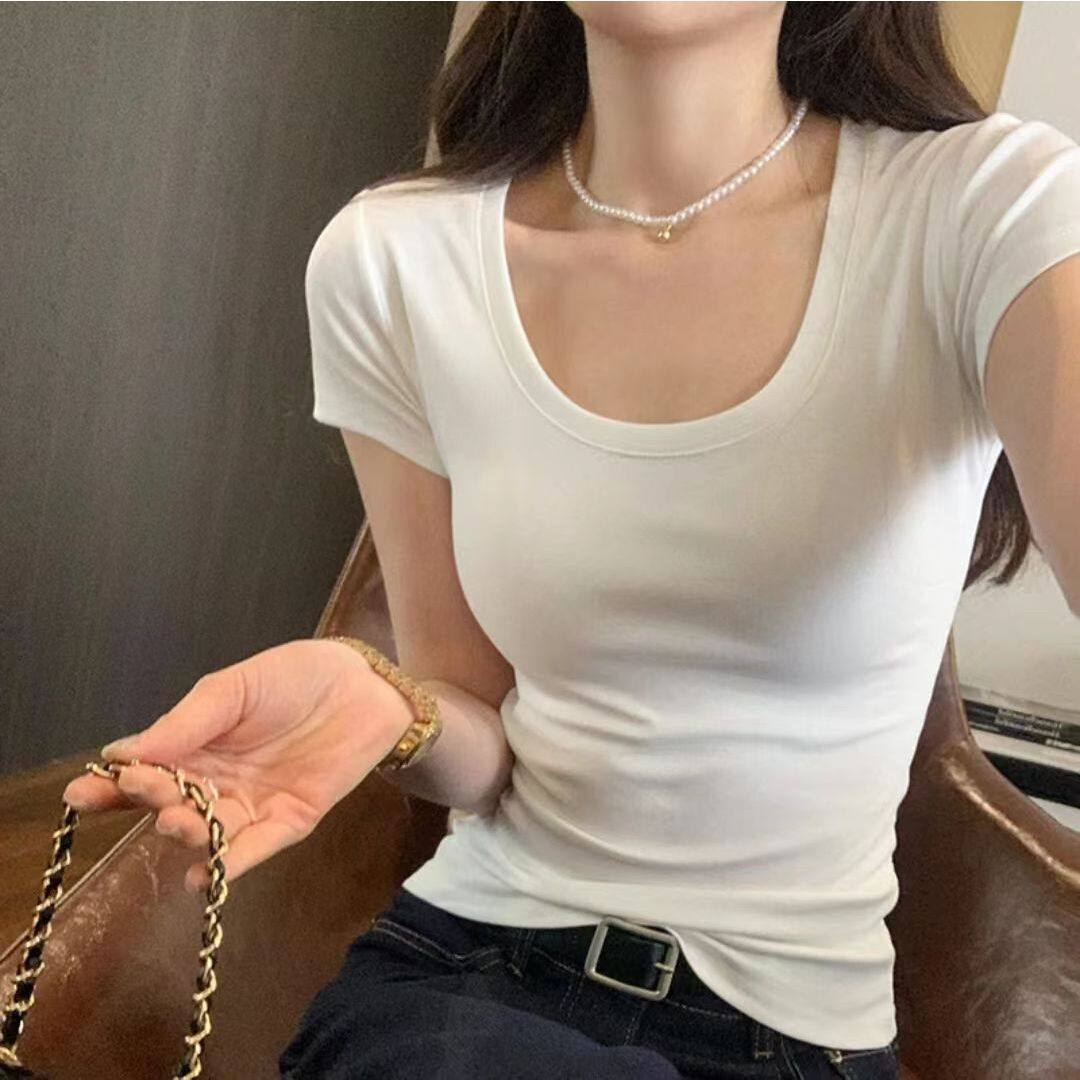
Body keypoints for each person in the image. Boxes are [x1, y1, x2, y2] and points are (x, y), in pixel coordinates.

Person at [62, 3, 1080, 1078]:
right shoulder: (395, 259)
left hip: (801, 1039)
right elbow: (475, 733)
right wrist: (387, 702)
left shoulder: (987, 210)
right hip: (468, 983)